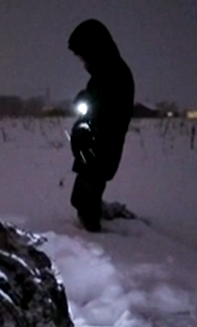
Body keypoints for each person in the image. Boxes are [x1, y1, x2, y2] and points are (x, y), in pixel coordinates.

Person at [67, 19, 134, 232]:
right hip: (94, 147)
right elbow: (95, 101)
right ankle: (94, 215)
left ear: (94, 49)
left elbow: (109, 114)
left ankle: (94, 238)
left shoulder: (114, 74)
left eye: (83, 56)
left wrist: (87, 132)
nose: (82, 62)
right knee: (81, 195)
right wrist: (83, 101)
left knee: (88, 194)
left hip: (101, 147)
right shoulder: (103, 74)